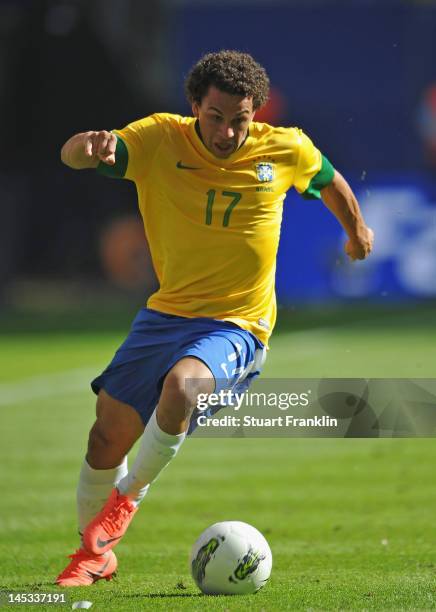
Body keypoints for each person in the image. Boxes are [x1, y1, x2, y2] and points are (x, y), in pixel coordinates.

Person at [55, 50, 373, 586]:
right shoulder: (159, 139)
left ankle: (125, 503)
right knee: (104, 440)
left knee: (182, 387)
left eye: (240, 120)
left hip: (238, 324)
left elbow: (330, 181)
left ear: (256, 113)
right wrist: (85, 148)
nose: (227, 132)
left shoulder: (285, 147)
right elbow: (74, 157)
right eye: (216, 117)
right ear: (194, 107)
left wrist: (356, 230)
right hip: (164, 314)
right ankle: (95, 555)